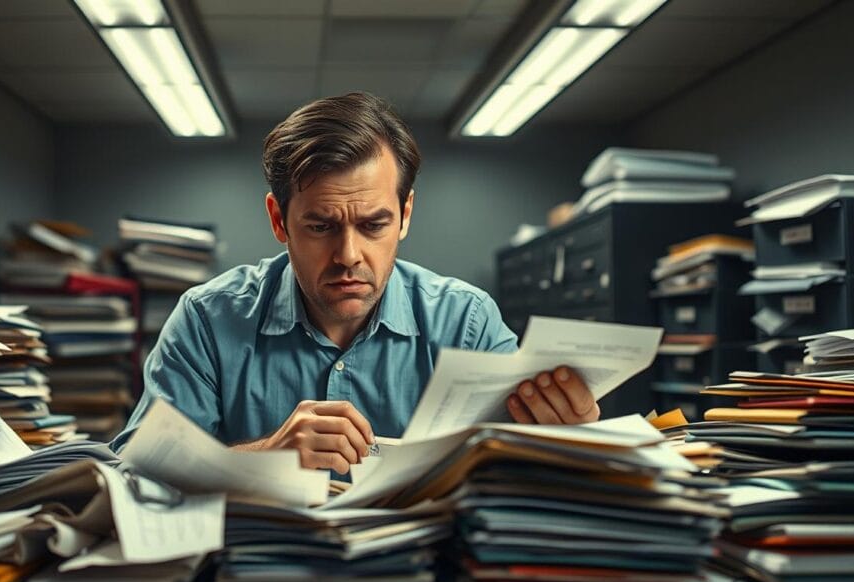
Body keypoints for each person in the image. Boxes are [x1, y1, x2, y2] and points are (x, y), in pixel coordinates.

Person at [112, 92, 600, 474]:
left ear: (405, 215)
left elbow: (521, 471)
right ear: (278, 221)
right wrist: (265, 455)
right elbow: (136, 469)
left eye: (373, 225)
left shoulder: (466, 321)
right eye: (321, 226)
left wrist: (570, 436)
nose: (348, 256)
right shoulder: (207, 319)